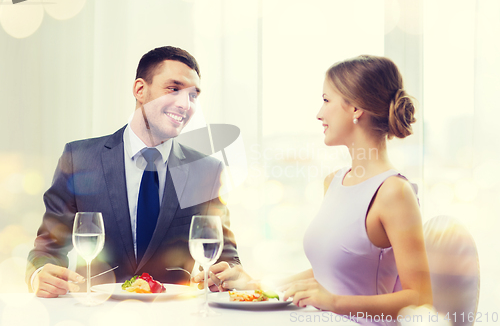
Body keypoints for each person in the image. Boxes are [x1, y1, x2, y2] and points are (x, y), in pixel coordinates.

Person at [194, 55, 432, 324]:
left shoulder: (394, 193)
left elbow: (420, 298)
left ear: (355, 108)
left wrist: (334, 302)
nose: (319, 113)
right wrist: (254, 284)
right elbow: (328, 273)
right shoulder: (333, 181)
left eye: (327, 100)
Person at [26, 46, 240, 298]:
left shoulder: (207, 171)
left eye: (193, 95)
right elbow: (47, 251)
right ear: (140, 89)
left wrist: (227, 275)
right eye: (173, 88)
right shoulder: (79, 159)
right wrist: (38, 276)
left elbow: (227, 259)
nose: (185, 104)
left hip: (174, 316)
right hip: (94, 314)